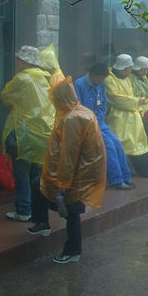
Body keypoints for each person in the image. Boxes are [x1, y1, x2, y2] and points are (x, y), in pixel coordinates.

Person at [36, 77, 107, 263]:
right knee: (39, 184)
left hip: (77, 173)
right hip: (82, 170)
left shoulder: (72, 118)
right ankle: (43, 224)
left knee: (72, 212)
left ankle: (72, 250)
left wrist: (63, 182)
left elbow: (69, 154)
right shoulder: (79, 112)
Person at [1, 45, 56, 222]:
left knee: (22, 172)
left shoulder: (22, 78)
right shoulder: (47, 78)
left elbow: (5, 97)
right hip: (44, 133)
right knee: (36, 173)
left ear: (24, 61)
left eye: (18, 59)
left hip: (25, 134)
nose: (16, 61)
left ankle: (24, 210)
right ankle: (36, 208)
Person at [73, 61, 137, 190]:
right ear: (93, 75)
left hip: (99, 122)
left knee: (117, 143)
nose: (103, 81)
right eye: (101, 78)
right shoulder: (79, 85)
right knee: (109, 145)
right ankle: (116, 180)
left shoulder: (100, 85)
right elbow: (77, 108)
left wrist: (99, 118)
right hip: (87, 124)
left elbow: (103, 104)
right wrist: (92, 121)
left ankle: (126, 177)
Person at [104, 53, 148, 178]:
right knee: (122, 146)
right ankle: (121, 175)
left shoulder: (126, 78)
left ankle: (145, 170)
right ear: (124, 68)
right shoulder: (109, 79)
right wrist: (136, 101)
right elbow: (116, 98)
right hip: (118, 118)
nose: (131, 70)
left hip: (132, 116)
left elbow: (130, 95)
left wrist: (139, 106)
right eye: (130, 67)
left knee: (137, 145)